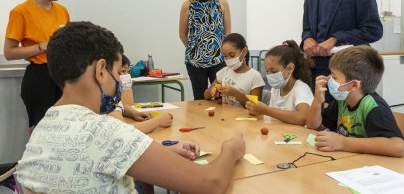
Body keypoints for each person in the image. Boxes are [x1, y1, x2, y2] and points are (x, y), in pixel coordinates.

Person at [16, 21, 246, 193]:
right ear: (101, 70)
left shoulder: (45, 125)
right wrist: (231, 149)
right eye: (118, 73)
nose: (119, 81)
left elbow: (88, 162)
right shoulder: (104, 130)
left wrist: (158, 154)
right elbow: (210, 184)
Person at [301, 0, 383, 99]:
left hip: (350, 72)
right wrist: (307, 39)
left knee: (350, 119)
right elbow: (307, 29)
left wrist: (336, 39)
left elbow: (374, 30)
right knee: (322, 118)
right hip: (318, 71)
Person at [3, 0, 69, 128]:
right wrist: (43, 46)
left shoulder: (62, 11)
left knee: (63, 127)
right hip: (40, 77)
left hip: (62, 74)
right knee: (42, 129)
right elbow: (9, 53)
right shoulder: (21, 12)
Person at [306, 46, 404, 157]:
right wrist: (317, 100)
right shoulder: (342, 100)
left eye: (334, 77)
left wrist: (343, 143)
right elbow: (313, 125)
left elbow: (398, 147)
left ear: (354, 85)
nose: (328, 79)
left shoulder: (373, 107)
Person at [179, 0, 231, 100]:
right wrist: (196, 49)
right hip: (195, 62)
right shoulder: (187, 5)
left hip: (219, 59)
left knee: (220, 97)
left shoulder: (222, 2)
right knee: (200, 99)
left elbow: (228, 31)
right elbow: (182, 34)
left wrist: (221, 51)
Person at [246, 40, 314, 126]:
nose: (269, 75)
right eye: (267, 71)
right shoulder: (276, 89)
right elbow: (272, 118)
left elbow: (302, 118)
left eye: (273, 71)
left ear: (290, 68)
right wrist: (256, 110)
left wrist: (265, 110)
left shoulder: (301, 88)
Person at [110, 54, 174, 134]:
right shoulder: (105, 102)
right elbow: (123, 131)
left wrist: (134, 113)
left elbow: (119, 106)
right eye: (121, 72)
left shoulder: (112, 97)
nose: (126, 76)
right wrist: (158, 121)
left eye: (128, 72)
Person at [204, 33, 265, 108]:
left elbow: (256, 107)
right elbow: (206, 95)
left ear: (244, 51)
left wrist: (236, 94)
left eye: (232, 55)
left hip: (245, 118)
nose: (228, 59)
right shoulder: (224, 72)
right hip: (225, 116)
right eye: (225, 56)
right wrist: (214, 90)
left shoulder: (255, 76)